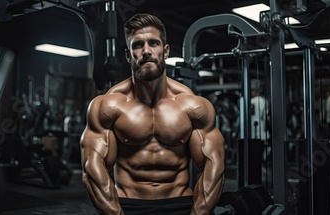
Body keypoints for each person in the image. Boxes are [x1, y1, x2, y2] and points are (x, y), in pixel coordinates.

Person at [79, 13, 225, 215]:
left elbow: (213, 166)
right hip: (126, 206)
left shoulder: (193, 106)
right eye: (138, 45)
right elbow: (92, 169)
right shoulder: (108, 106)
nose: (146, 51)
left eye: (153, 43)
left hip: (180, 204)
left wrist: (199, 212)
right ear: (129, 55)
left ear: (165, 51)